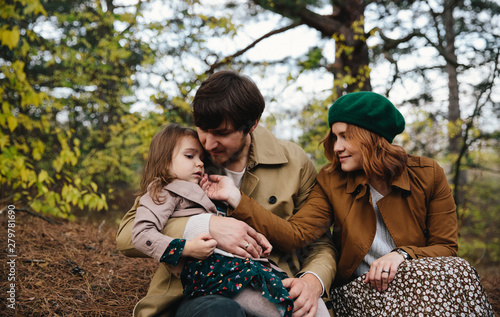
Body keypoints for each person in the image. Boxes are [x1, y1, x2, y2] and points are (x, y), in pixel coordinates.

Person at [202, 91, 495, 316]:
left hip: (419, 283)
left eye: (345, 136)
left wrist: (401, 255)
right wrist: (237, 199)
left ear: (372, 137)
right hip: (361, 291)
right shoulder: (332, 180)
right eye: (335, 136)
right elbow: (296, 236)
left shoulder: (428, 173)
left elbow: (446, 247)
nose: (337, 146)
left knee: (457, 270)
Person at [116, 70, 337, 317]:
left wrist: (312, 281)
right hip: (195, 295)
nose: (208, 144)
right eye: (202, 129)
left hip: (270, 287)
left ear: (251, 125)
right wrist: (206, 226)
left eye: (221, 133)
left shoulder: (294, 162)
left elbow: (318, 241)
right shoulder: (185, 158)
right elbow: (128, 234)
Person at [131, 123, 310, 317]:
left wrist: (255, 237)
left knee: (295, 299)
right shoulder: (162, 191)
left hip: (238, 268)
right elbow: (141, 234)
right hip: (214, 276)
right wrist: (187, 248)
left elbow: (228, 224)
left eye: (201, 158)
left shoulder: (203, 189)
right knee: (281, 307)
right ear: (164, 161)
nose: (199, 163)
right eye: (190, 156)